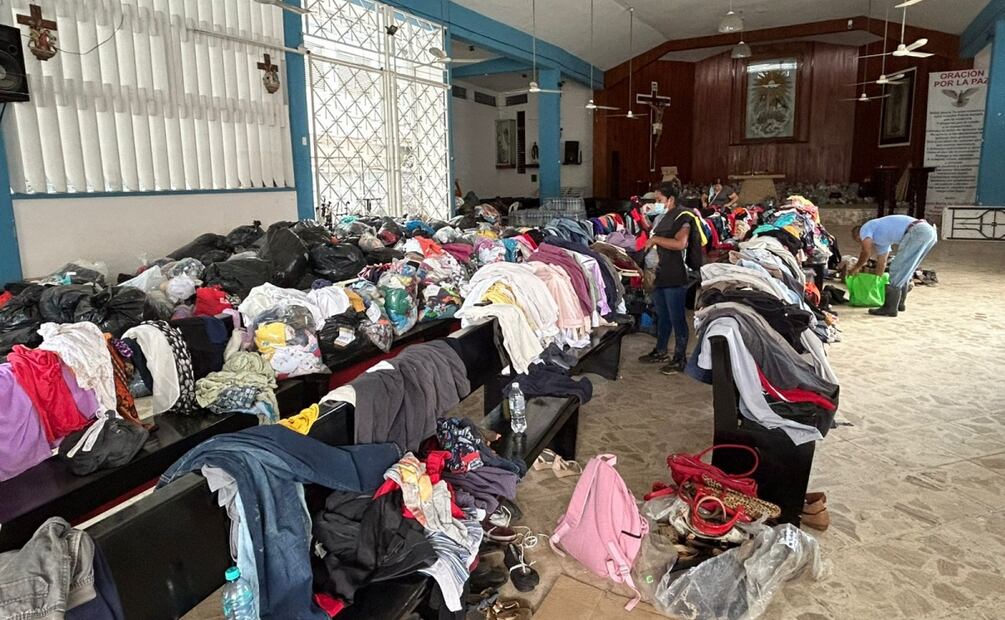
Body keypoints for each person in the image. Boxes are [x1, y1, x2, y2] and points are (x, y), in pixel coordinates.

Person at [638, 182, 703, 374]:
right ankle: (660, 350)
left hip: (675, 274)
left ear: (671, 199)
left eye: (659, 200)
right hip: (660, 272)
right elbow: (653, 231)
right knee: (662, 315)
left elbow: (680, 243)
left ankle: (679, 358)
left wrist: (656, 240)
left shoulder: (683, 217)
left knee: (676, 318)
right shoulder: (663, 216)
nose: (656, 203)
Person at [850, 214, 938, 317]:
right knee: (906, 268)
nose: (862, 243)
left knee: (897, 268)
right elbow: (882, 263)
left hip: (918, 231)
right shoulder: (881, 240)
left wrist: (855, 268)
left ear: (859, 235)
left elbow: (866, 252)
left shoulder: (865, 228)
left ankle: (890, 308)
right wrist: (876, 280)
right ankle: (899, 304)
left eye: (860, 241)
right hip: (928, 232)